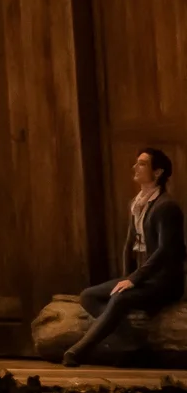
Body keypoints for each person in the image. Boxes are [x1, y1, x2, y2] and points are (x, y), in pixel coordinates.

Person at [65, 148, 184, 367]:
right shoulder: (136, 203)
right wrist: (126, 276)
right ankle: (130, 341)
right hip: (140, 278)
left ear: (157, 172)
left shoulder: (167, 206)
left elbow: (165, 251)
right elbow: (129, 245)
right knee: (88, 296)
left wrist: (134, 280)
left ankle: (77, 351)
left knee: (119, 298)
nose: (135, 167)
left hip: (163, 283)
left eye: (142, 164)